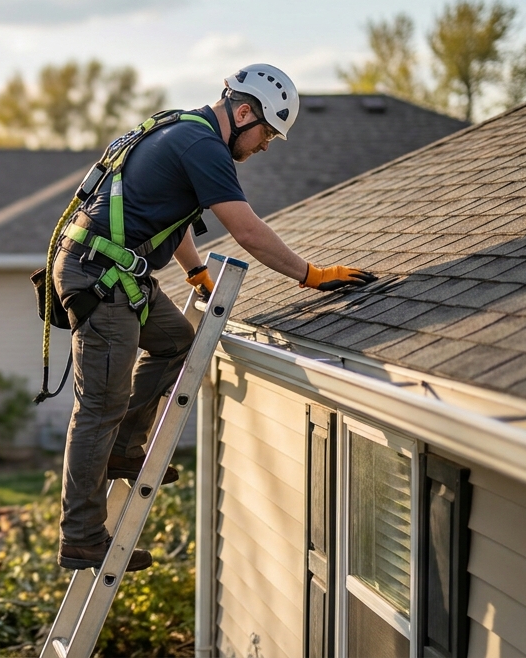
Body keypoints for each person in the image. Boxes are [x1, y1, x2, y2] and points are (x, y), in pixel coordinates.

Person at [51, 63, 376, 571]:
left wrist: (197, 270)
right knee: (99, 405)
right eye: (267, 132)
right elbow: (246, 230)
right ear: (244, 112)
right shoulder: (201, 145)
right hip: (102, 278)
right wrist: (309, 274)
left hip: (113, 271)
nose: (266, 145)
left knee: (177, 342)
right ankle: (82, 536)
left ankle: (121, 448)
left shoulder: (183, 131)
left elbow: (169, 215)